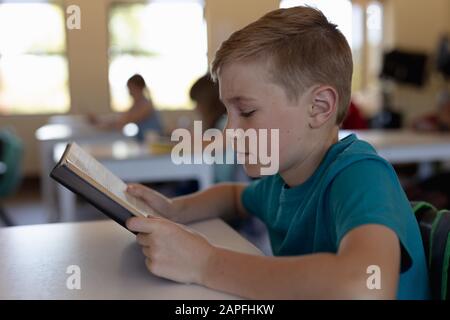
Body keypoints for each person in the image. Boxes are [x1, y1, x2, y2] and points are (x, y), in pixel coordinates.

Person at [124, 7, 430, 299]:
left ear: (319, 107)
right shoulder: (280, 182)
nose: (230, 131)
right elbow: (233, 197)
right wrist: (175, 210)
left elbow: (365, 287)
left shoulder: (360, 174)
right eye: (227, 112)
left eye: (246, 111)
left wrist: (207, 264)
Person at [89, 74, 163, 141]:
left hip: (153, 143)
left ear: (138, 88)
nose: (130, 93)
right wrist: (99, 121)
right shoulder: (136, 105)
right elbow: (121, 119)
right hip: (143, 141)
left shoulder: (146, 106)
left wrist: (101, 123)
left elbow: (124, 121)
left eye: (131, 89)